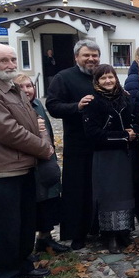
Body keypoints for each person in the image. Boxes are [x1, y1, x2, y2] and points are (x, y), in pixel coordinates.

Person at [0, 44, 53, 278]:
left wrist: (41, 140)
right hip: (2, 170)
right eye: (3, 60)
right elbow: (8, 131)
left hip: (25, 166)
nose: (10, 65)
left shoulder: (13, 88)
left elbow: (35, 121)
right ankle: (5, 275)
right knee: (6, 226)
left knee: (26, 221)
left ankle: (23, 264)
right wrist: (43, 148)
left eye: (13, 59)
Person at [46, 39, 100, 250]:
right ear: (77, 57)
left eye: (94, 55)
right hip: (77, 144)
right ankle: (78, 233)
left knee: (99, 188)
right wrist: (76, 106)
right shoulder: (63, 77)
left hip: (101, 143)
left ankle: (100, 228)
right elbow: (53, 106)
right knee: (78, 189)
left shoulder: (102, 75)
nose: (91, 59)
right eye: (86, 55)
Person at [82, 64, 137, 253]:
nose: (108, 81)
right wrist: (123, 136)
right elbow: (92, 133)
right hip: (105, 156)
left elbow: (133, 122)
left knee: (125, 193)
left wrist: (133, 133)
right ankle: (109, 235)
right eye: (103, 78)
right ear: (96, 81)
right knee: (108, 195)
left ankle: (124, 231)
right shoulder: (93, 102)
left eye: (111, 77)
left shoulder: (125, 98)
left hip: (124, 155)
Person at [14, 74, 70, 254]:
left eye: (29, 86)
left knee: (49, 202)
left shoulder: (38, 105)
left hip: (46, 162)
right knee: (31, 207)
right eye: (21, 87)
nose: (26, 90)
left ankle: (45, 239)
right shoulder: (13, 109)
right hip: (28, 164)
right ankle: (26, 248)